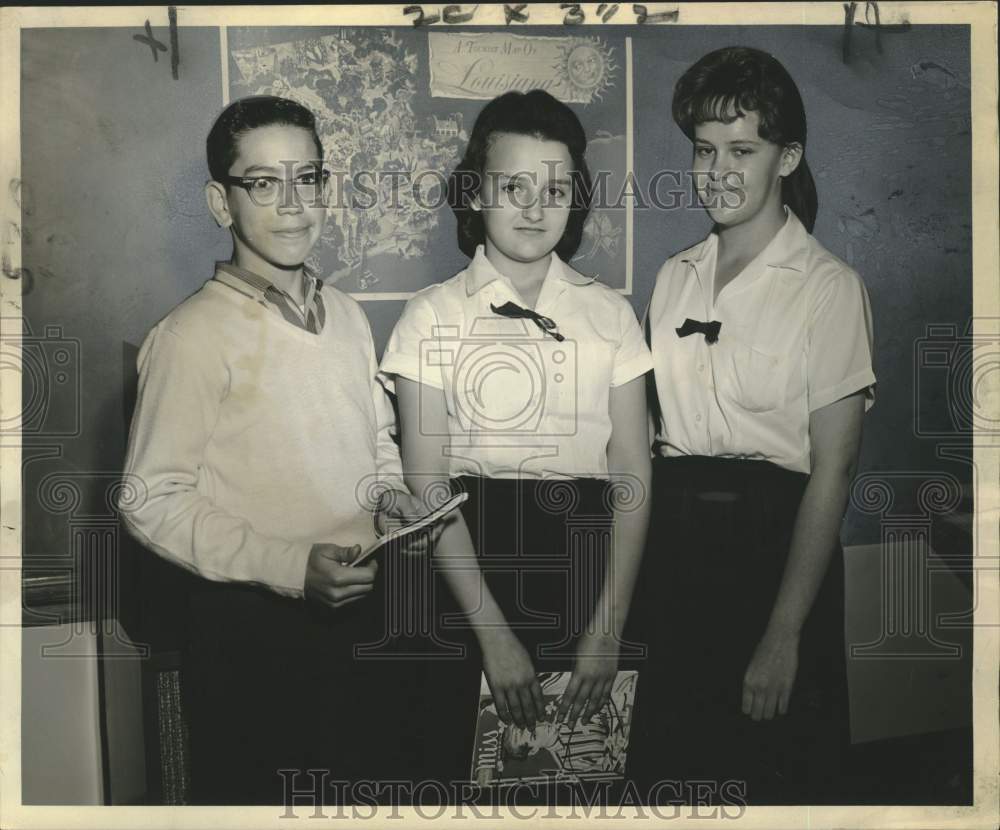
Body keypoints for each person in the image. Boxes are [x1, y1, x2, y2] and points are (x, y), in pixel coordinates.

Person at [120, 95, 431, 804]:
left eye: (309, 178)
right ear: (220, 201)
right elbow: (151, 500)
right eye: (263, 183)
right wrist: (290, 566)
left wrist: (391, 503)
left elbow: (374, 442)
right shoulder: (190, 337)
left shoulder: (348, 317)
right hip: (250, 642)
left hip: (366, 620)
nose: (293, 204)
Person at [378, 89, 653, 799]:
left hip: (588, 572)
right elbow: (428, 484)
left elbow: (632, 473)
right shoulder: (431, 314)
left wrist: (607, 628)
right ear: (476, 192)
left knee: (575, 785)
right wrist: (492, 637)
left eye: (556, 187)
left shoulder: (610, 315)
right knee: (454, 782)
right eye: (513, 186)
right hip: (464, 569)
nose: (535, 207)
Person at [629, 47, 876, 804]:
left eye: (744, 150)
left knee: (774, 782)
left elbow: (832, 473)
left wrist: (783, 633)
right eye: (706, 151)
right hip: (673, 559)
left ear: (786, 156)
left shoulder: (828, 288)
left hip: (774, 562)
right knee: (673, 775)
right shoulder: (674, 278)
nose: (719, 171)